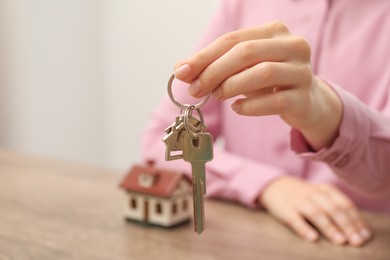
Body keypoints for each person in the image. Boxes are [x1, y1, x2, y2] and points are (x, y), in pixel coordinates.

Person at [142, 0, 390, 247]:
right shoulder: (241, 4)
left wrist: (329, 116)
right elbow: (157, 141)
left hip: (358, 241)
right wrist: (266, 184)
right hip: (244, 241)